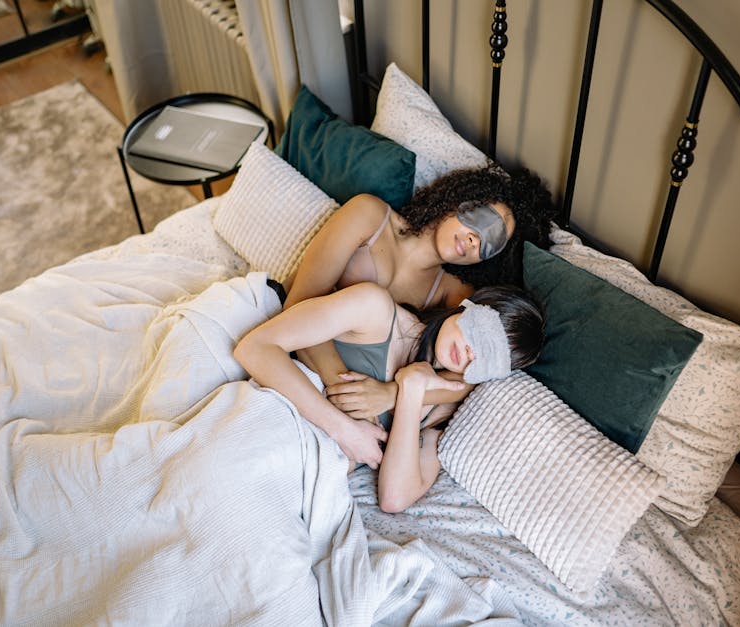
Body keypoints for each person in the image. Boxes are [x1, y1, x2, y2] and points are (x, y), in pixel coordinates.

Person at [234, 282, 543, 512]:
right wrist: (345, 428)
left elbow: (394, 499)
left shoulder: (447, 409)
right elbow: (253, 348)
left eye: (490, 357)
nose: (470, 352)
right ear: (469, 305)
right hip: (265, 425)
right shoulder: (375, 310)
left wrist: (409, 392)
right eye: (482, 333)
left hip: (297, 484)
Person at [283, 164, 556, 423]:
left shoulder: (455, 293)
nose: (475, 240)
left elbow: (463, 381)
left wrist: (390, 394)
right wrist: (346, 397)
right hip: (287, 332)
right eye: (480, 220)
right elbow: (297, 303)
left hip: (333, 382)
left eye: (489, 246)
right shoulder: (368, 215)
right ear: (460, 199)